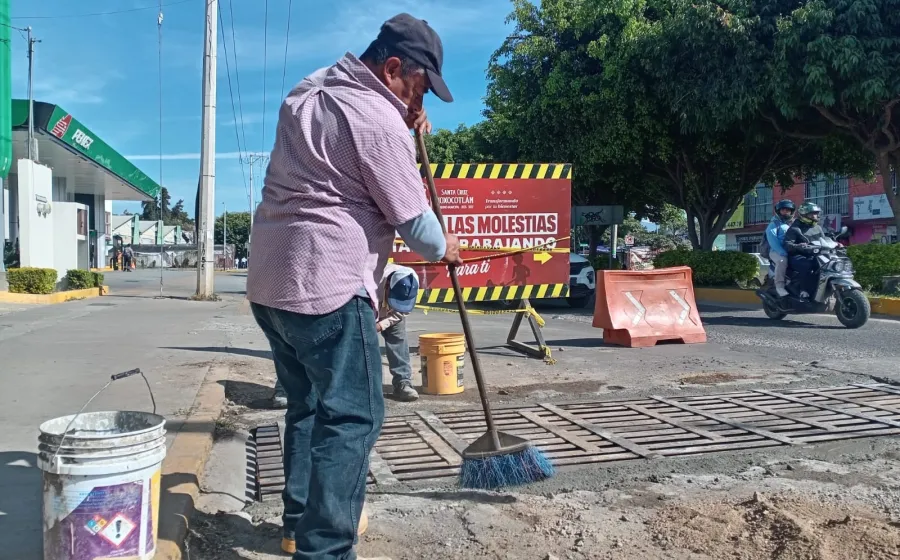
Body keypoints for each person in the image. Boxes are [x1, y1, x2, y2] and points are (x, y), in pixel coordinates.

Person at [245, 13, 460, 560]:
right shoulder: (377, 121)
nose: (420, 101)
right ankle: (325, 550)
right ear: (392, 68)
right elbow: (419, 228)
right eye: (418, 87)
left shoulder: (310, 90)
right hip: (329, 288)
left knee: (308, 408)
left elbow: (347, 158)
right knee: (356, 415)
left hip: (272, 284)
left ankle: (297, 524)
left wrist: (405, 118)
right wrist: (448, 248)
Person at [271, 263, 421, 408]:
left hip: (387, 315)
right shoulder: (370, 277)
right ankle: (285, 389)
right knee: (310, 341)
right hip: (325, 303)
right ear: (387, 285)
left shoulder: (410, 282)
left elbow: (403, 311)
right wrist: (368, 324)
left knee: (398, 339)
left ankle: (403, 382)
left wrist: (382, 324)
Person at [784, 202, 825, 296]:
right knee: (807, 265)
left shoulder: (817, 227)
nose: (815, 216)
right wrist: (799, 246)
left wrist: (836, 243)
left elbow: (824, 240)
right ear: (804, 214)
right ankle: (804, 291)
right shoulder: (795, 228)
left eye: (816, 213)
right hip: (798, 256)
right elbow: (787, 244)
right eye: (812, 213)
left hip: (815, 255)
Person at [765, 200, 795, 297]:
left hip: (792, 250)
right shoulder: (774, 224)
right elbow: (772, 240)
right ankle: (779, 286)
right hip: (776, 252)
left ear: (792, 211)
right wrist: (782, 251)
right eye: (783, 210)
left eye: (788, 210)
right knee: (782, 261)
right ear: (779, 211)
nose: (786, 212)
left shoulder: (793, 224)